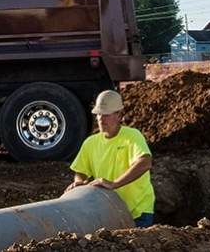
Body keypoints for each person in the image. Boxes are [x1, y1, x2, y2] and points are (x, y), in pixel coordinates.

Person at [66, 90, 155, 227]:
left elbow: (145, 163)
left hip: (137, 213)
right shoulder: (91, 143)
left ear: (118, 115)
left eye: (106, 114)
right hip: (109, 213)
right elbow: (81, 170)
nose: (101, 119)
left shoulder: (131, 136)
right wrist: (80, 183)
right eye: (99, 114)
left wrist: (114, 184)